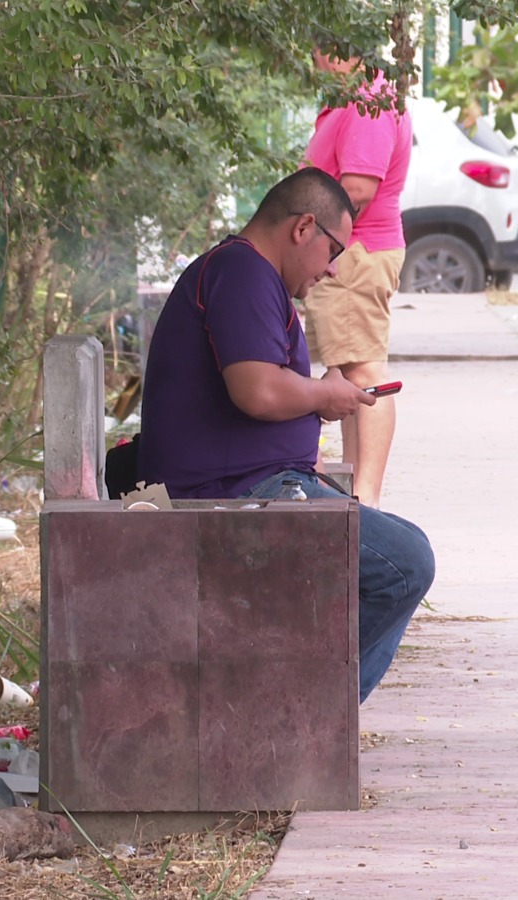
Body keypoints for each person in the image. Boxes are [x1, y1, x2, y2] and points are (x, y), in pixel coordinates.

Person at [137, 167, 436, 704]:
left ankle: (301, 718)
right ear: (303, 228)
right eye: (333, 249)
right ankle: (300, 717)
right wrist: (325, 396)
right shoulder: (243, 271)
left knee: (401, 547)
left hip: (254, 485)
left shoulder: (250, 276)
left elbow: (267, 390)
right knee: (406, 562)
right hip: (230, 494)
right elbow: (257, 391)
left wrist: (321, 401)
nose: (334, 269)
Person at [302, 48, 414, 510]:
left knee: (365, 371)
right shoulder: (351, 98)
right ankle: (357, 497)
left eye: (319, 50)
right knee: (350, 373)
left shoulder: (370, 100)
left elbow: (358, 189)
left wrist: (325, 246)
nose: (316, 61)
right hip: (350, 250)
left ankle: (366, 502)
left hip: (356, 251)